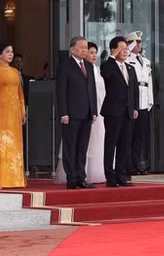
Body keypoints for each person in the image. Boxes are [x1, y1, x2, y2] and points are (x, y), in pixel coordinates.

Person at [55, 42, 107, 184]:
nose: (85, 50)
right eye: (82, 48)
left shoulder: (89, 66)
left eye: (86, 48)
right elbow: (61, 91)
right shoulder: (65, 65)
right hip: (71, 114)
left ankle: (81, 177)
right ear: (73, 49)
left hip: (87, 114)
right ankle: (71, 178)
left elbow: (92, 91)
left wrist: (94, 111)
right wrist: (63, 113)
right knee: (70, 146)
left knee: (82, 147)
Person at [100, 36, 138, 187]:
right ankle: (110, 177)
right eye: (121, 48)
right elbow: (106, 75)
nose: (125, 51)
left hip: (128, 113)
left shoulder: (130, 68)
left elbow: (134, 91)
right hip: (113, 112)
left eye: (126, 49)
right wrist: (111, 57)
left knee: (125, 145)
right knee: (111, 145)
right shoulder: (108, 66)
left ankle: (121, 175)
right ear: (114, 50)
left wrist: (135, 107)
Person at [0, 43, 27, 189]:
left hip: (15, 113)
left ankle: (16, 180)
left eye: (12, 51)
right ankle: (1, 180)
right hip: (2, 112)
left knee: (16, 145)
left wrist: (23, 111)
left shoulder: (15, 72)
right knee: (3, 144)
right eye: (7, 51)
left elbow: (20, 94)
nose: (11, 54)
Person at [125, 31, 153, 175]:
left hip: (144, 100)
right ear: (129, 44)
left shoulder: (146, 61)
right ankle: (128, 164)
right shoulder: (126, 60)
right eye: (136, 42)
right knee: (129, 135)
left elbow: (149, 82)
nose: (139, 45)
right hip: (132, 101)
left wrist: (150, 101)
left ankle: (137, 163)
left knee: (139, 136)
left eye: (140, 42)